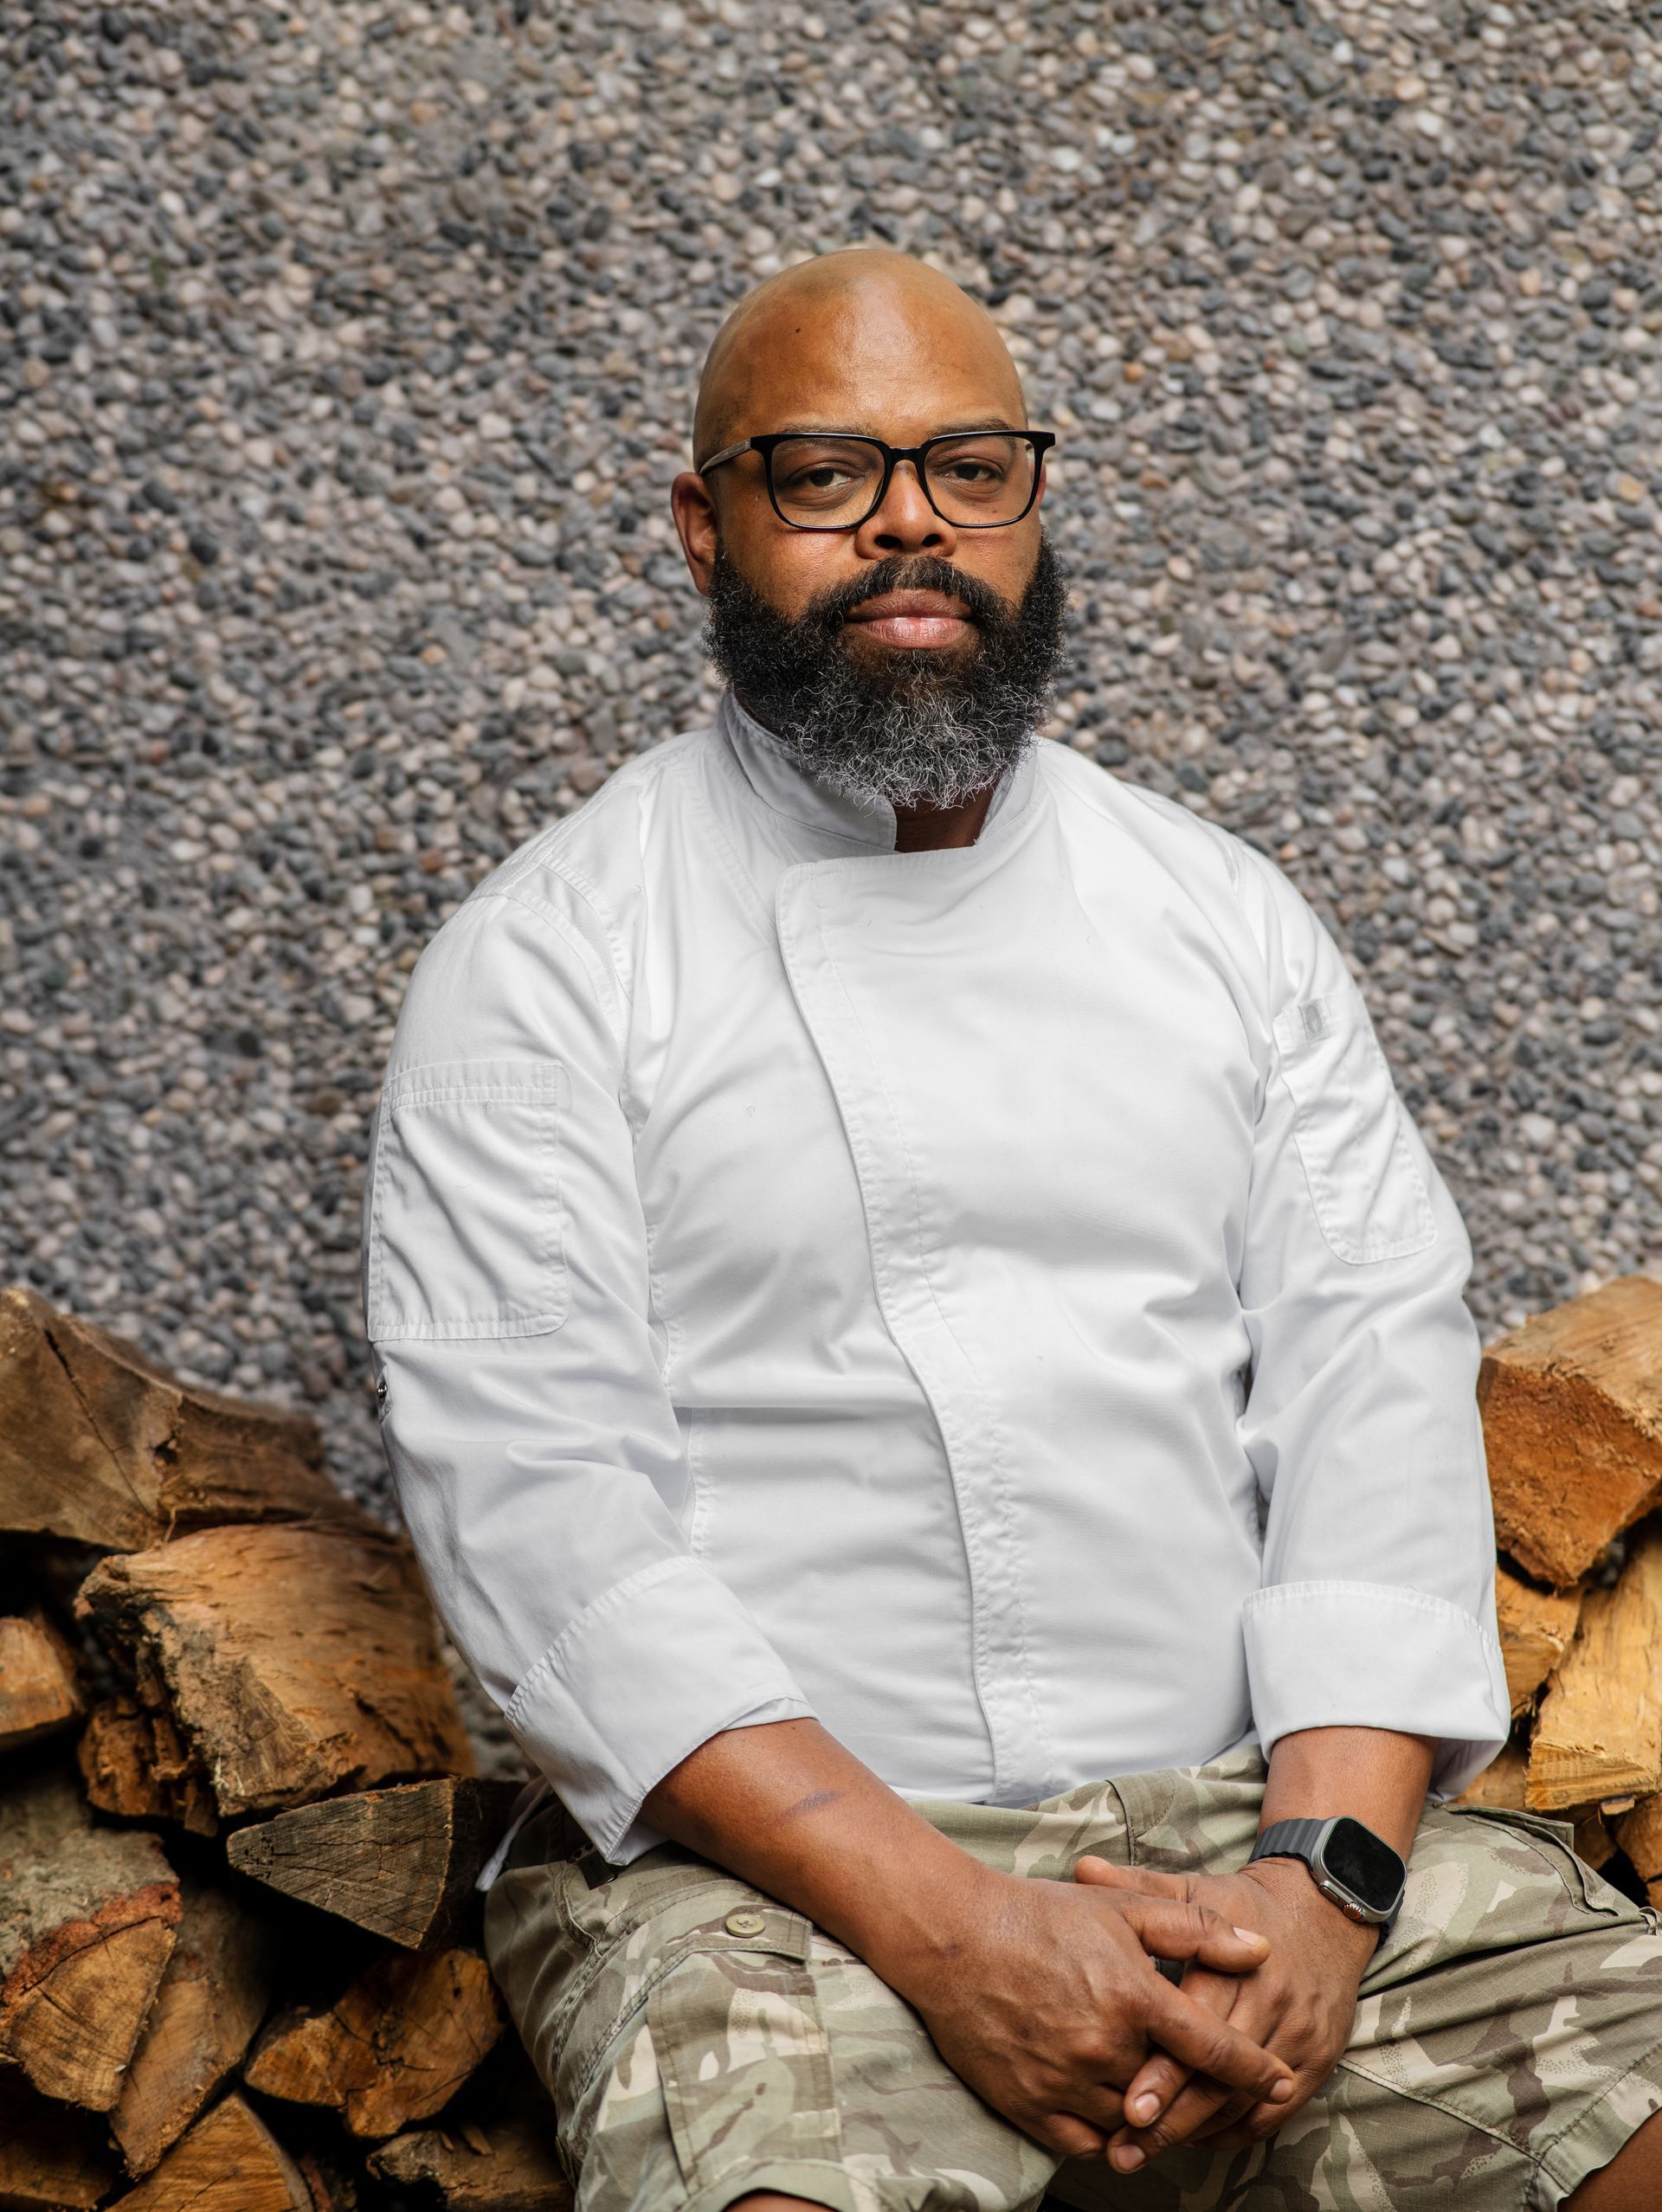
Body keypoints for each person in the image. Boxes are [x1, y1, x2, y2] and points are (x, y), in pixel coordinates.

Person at [365, 250, 1662, 2212]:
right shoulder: (546, 964)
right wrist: (961, 1935)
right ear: (700, 529)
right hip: (776, 1894)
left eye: (969, 466)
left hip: (1256, 1842)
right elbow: (549, 1536)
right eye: (825, 473)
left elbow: (1368, 1407)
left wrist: (1321, 1893)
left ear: (1032, 504)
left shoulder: (1219, 922)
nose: (911, 522)